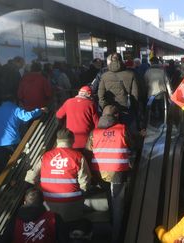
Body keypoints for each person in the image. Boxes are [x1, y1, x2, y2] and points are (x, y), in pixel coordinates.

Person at [85, 105, 132, 243]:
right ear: (116, 115)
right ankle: (117, 236)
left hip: (99, 173)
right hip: (117, 172)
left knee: (110, 200)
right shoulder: (122, 129)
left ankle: (110, 222)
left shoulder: (94, 132)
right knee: (118, 204)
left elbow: (88, 149)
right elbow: (132, 144)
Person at [25, 128, 91, 222]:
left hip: (48, 202)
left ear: (57, 141)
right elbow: (85, 181)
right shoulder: (78, 156)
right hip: (72, 202)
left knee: (52, 229)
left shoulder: (45, 156)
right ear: (72, 141)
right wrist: (82, 195)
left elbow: (31, 177)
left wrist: (38, 188)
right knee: (70, 228)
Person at [0, 187, 68, 243]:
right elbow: (65, 240)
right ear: (43, 202)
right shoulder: (54, 217)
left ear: (24, 202)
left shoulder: (14, 221)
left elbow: (4, 240)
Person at [0, 96, 44, 177]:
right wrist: (39, 110)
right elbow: (26, 116)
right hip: (11, 142)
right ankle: (17, 181)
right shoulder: (13, 107)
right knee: (17, 163)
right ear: (14, 100)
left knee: (3, 168)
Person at [98, 53, 142, 134]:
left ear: (110, 61)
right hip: (126, 109)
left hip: (110, 112)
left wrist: (105, 107)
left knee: (111, 133)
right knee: (127, 132)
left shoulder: (104, 76)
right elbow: (135, 95)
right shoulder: (130, 74)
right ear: (122, 61)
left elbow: (100, 95)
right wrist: (134, 109)